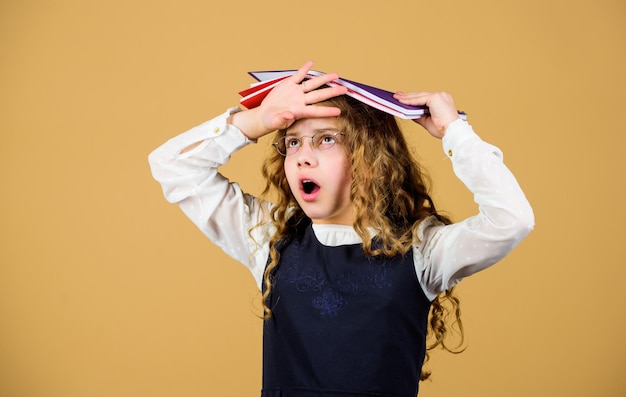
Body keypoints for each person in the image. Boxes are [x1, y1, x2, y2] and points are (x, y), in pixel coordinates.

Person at [148, 61, 534, 397]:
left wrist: (455, 133)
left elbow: (511, 220)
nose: (302, 157)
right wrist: (257, 120)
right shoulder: (268, 237)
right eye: (293, 142)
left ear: (370, 161)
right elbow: (171, 167)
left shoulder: (422, 250)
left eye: (326, 139)